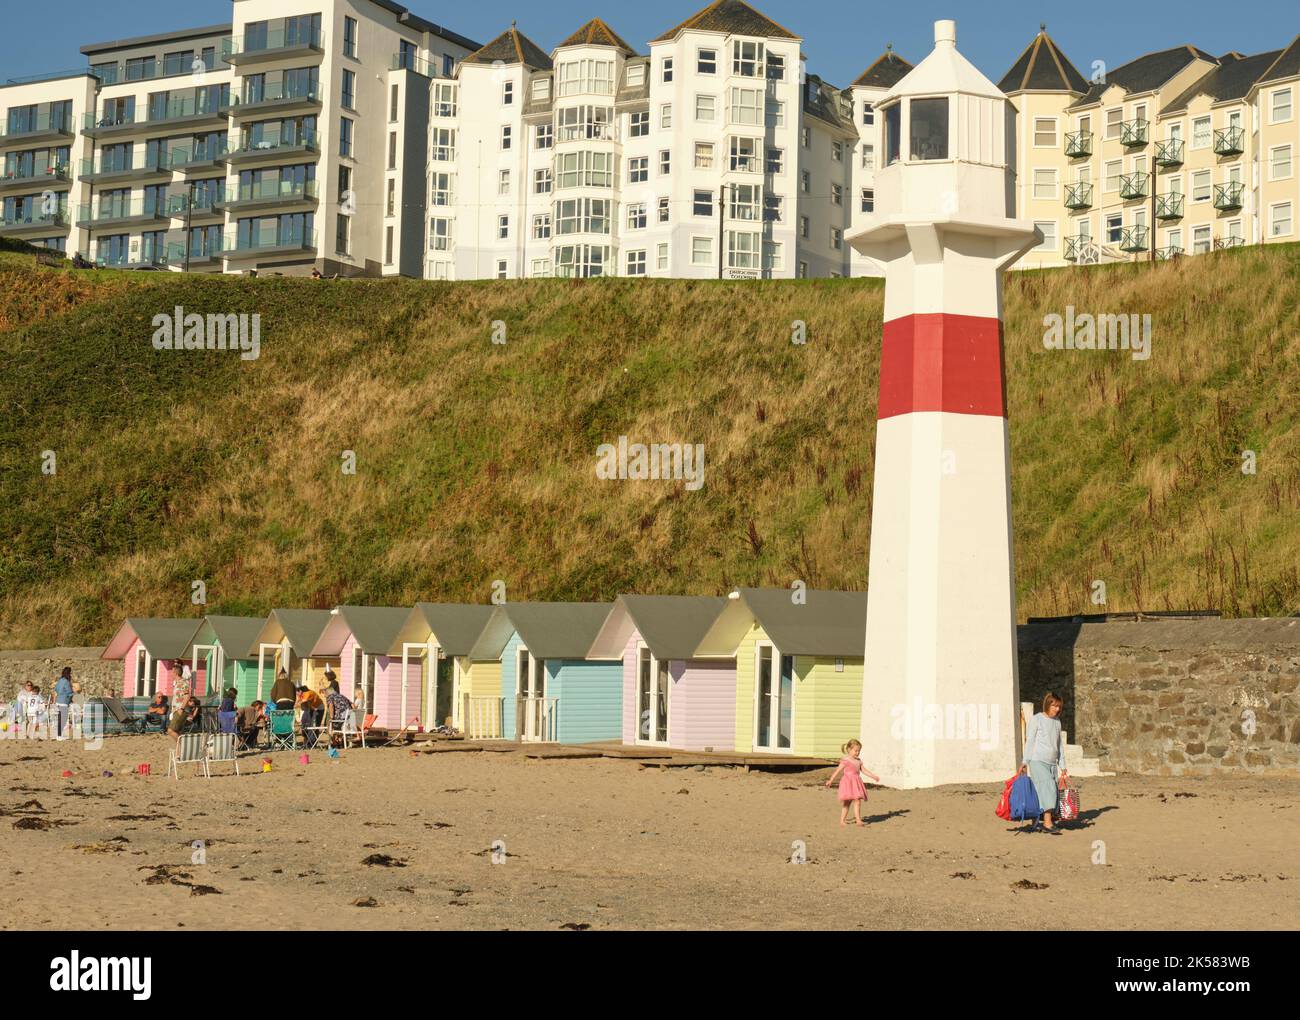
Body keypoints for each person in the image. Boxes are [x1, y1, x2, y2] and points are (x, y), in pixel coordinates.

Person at [1020, 693, 1069, 833]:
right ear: (1047, 704)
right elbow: (1030, 741)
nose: (1057, 709)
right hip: (1037, 760)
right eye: (1054, 706)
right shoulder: (1037, 719)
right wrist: (1025, 761)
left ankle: (1036, 820)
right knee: (1049, 790)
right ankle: (1047, 823)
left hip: (1052, 763)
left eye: (1059, 706)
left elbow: (1059, 746)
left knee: (1040, 792)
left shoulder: (1057, 722)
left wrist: (1063, 765)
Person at [825, 739, 881, 827]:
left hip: (856, 782)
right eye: (855, 750)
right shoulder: (846, 760)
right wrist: (831, 780)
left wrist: (873, 776)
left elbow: (864, 770)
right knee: (847, 803)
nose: (857, 752)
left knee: (857, 800)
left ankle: (858, 820)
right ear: (849, 750)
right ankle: (842, 820)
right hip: (848, 782)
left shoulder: (858, 761)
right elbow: (838, 770)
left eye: (859, 751)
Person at [54, 667, 74, 740]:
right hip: (64, 702)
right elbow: (70, 692)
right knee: (63, 720)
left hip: (58, 701)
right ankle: (59, 736)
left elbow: (56, 689)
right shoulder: (66, 682)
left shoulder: (60, 680)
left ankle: (59, 735)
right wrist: (70, 699)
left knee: (60, 720)